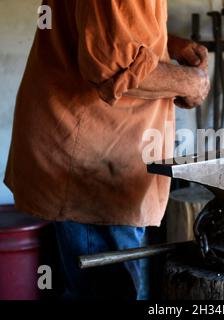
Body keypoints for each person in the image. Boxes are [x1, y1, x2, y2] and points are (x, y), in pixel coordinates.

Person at [4, 0, 210, 300]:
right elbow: (111, 67)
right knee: (107, 292)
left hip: (98, 152)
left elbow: (106, 31)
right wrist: (191, 82)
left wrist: (166, 45)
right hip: (90, 158)